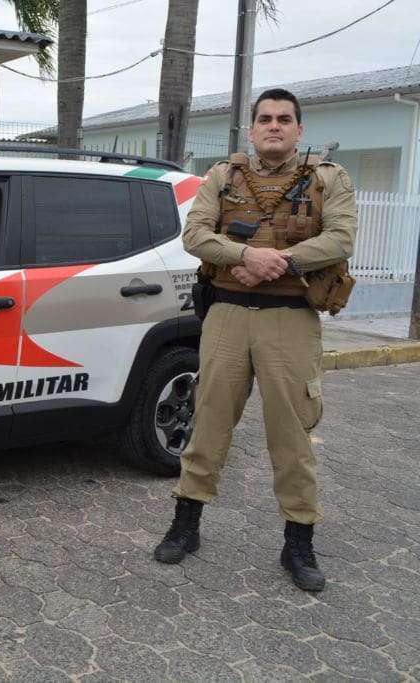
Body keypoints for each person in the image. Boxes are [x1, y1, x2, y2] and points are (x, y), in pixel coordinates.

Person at [152, 88, 357, 592]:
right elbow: (195, 236)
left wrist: (279, 262)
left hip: (291, 318)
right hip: (226, 314)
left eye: (284, 119)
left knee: (291, 433)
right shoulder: (221, 177)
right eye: (265, 118)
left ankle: (298, 540)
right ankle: (186, 524)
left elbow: (341, 238)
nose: (274, 126)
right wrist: (245, 258)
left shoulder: (329, 179)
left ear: (298, 129)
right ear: (252, 128)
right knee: (209, 422)